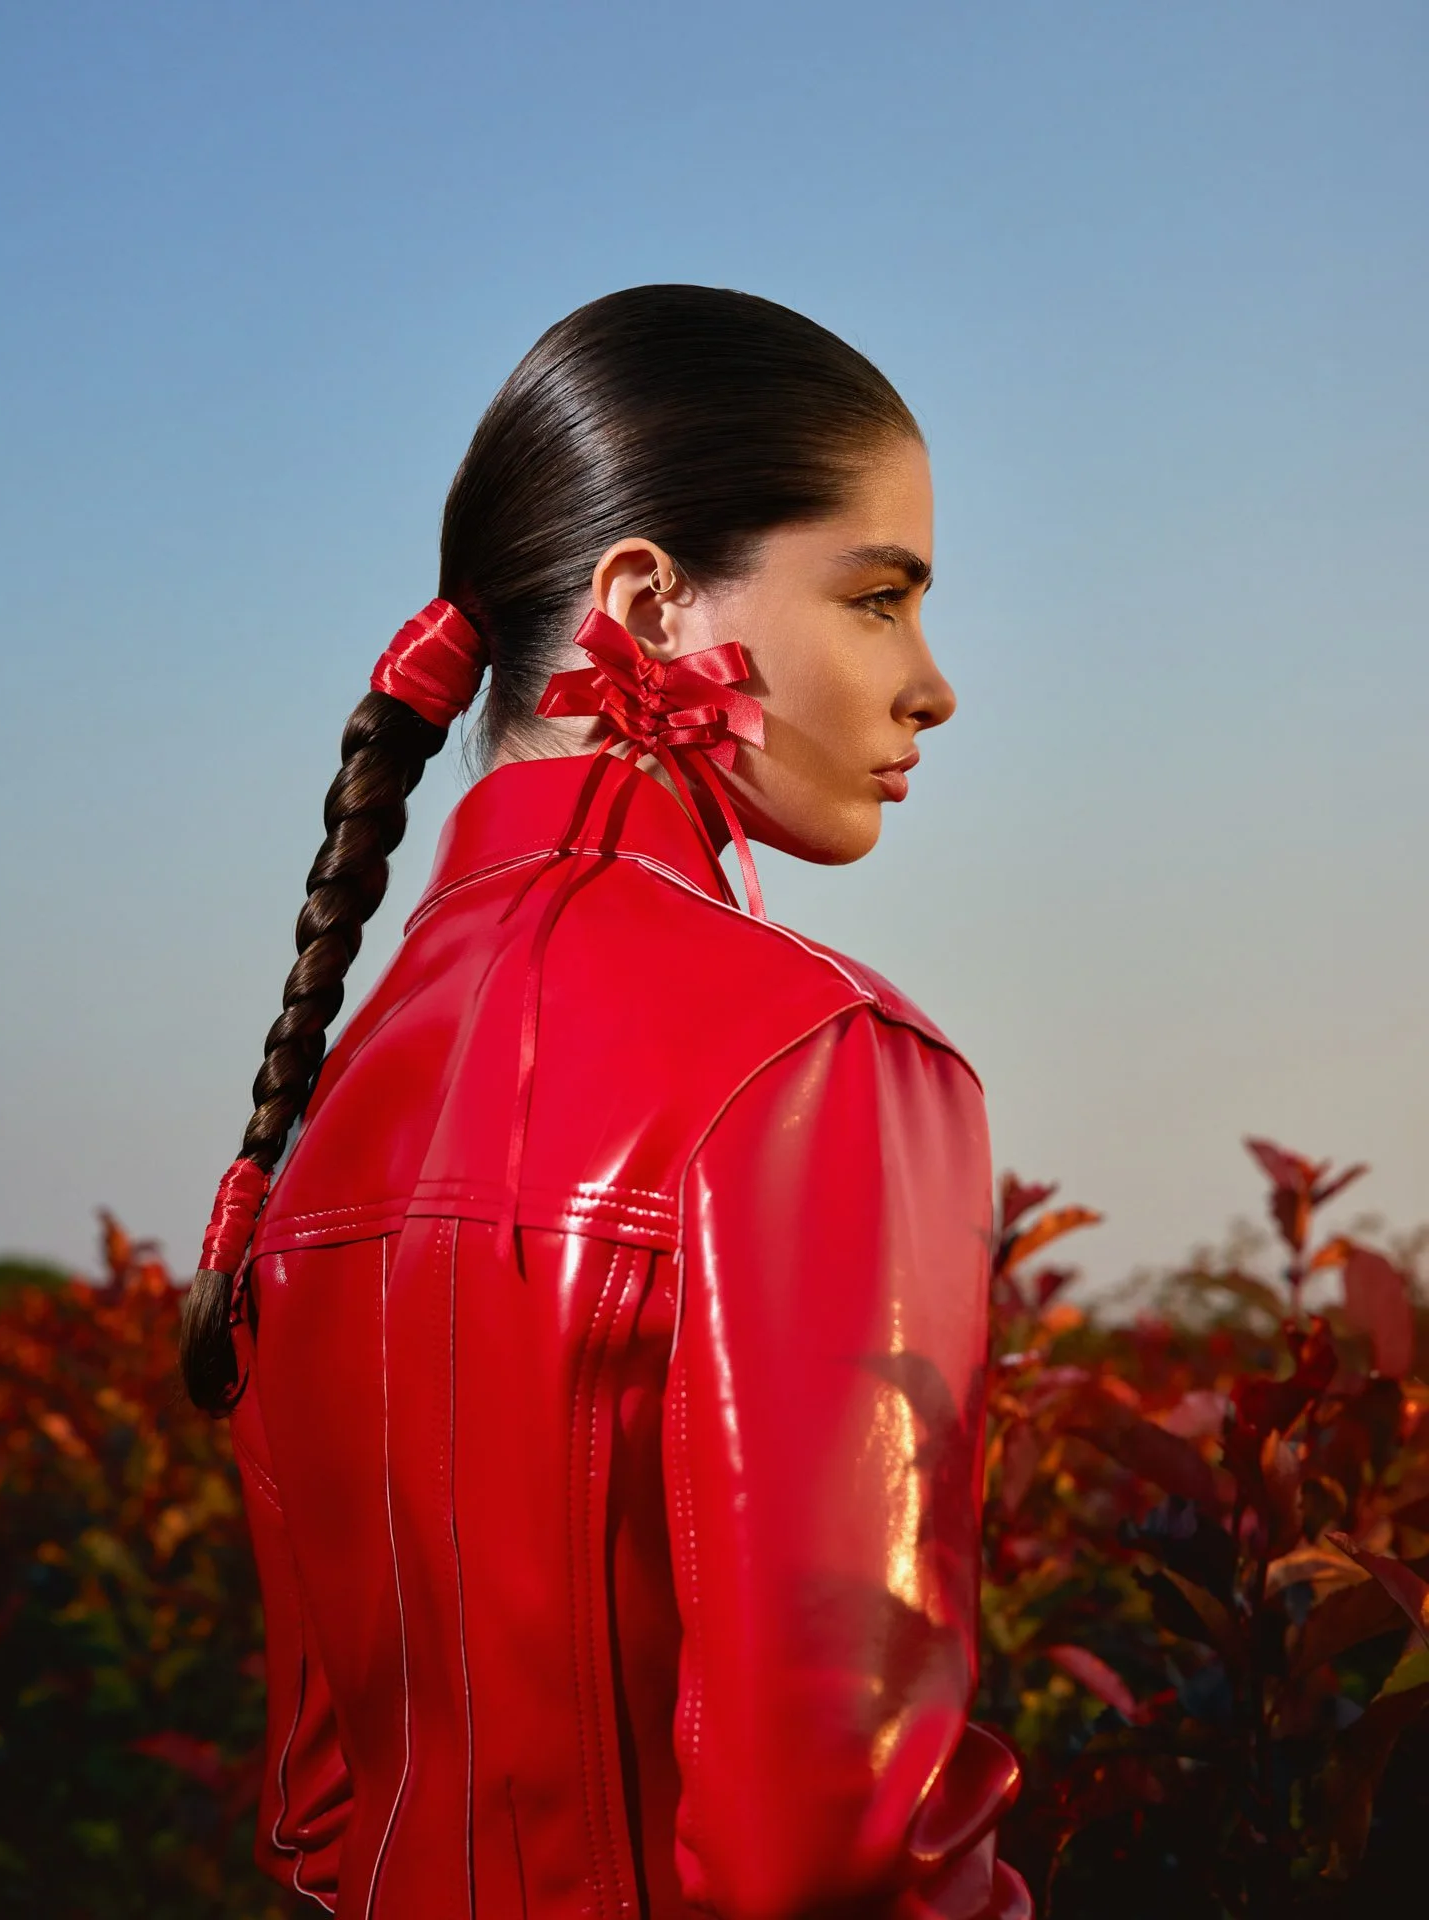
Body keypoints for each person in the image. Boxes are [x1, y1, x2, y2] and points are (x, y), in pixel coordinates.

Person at [180, 285, 1030, 1920]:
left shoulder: (320, 1104)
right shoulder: (817, 1061)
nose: (933, 684)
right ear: (645, 601)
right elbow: (831, 1847)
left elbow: (315, 1812)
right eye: (878, 598)